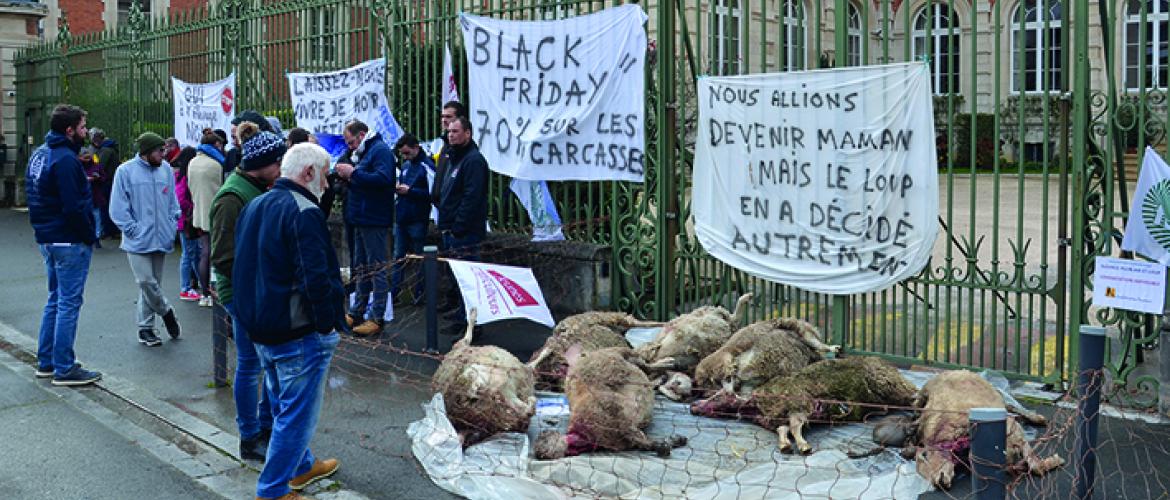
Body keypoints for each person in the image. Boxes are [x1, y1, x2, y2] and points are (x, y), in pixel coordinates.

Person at [232, 141, 343, 500]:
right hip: (297, 331)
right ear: (309, 172)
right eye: (324, 176)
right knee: (296, 414)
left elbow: (242, 265)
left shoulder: (256, 205)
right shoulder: (302, 211)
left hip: (265, 326)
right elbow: (315, 276)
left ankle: (300, 466)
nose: (327, 186)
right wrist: (327, 324)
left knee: (284, 404)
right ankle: (274, 489)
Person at [210, 120, 282, 463]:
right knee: (251, 364)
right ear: (261, 165)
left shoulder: (260, 187)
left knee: (268, 364)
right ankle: (249, 435)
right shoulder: (232, 197)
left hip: (260, 290)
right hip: (242, 294)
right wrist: (253, 287)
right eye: (278, 162)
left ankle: (264, 427)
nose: (282, 167)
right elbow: (223, 257)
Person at [26, 104, 102, 386]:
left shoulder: (40, 154)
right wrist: (88, 235)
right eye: (82, 127)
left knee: (55, 300)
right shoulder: (66, 160)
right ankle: (64, 367)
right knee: (68, 303)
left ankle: (47, 361)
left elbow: (35, 195)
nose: (86, 132)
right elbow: (73, 207)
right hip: (68, 239)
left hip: (47, 236)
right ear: (69, 130)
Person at [109, 132, 182, 347]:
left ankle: (145, 328)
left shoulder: (166, 169)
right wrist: (132, 229)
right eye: (160, 151)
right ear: (147, 151)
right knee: (145, 281)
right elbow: (118, 206)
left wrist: (172, 221)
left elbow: (172, 200)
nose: (164, 154)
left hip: (161, 236)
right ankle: (166, 312)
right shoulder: (125, 171)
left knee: (152, 285)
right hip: (138, 238)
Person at [334, 120, 396, 337]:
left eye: (351, 141)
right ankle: (357, 311)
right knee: (360, 267)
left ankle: (377, 316)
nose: (349, 146)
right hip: (359, 217)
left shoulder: (380, 151)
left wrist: (352, 174)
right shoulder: (362, 152)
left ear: (361, 135)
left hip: (374, 218)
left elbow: (384, 178)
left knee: (377, 268)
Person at [436, 117, 489, 335]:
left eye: (456, 131)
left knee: (469, 282)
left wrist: (458, 225)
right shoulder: (454, 158)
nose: (451, 135)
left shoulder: (473, 160)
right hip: (451, 230)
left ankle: (474, 325)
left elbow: (472, 197)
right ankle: (462, 319)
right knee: (458, 281)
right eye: (449, 131)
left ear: (468, 133)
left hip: (464, 233)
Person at [390, 134, 432, 306]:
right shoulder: (407, 165)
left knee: (419, 259)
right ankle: (394, 293)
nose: (405, 157)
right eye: (403, 154)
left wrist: (411, 192)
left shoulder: (426, 166)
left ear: (416, 147)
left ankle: (419, 293)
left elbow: (432, 193)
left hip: (417, 218)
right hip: (402, 217)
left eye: (407, 153)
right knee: (398, 257)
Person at [188, 128, 228, 307]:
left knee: (204, 252)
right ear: (216, 144)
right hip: (216, 212)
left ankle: (204, 293)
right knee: (216, 253)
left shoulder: (193, 162)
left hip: (199, 212)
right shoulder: (217, 164)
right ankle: (216, 290)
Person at [172, 146, 202, 301]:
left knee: (192, 253)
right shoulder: (185, 177)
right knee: (190, 254)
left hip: (183, 220)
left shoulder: (178, 175)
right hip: (187, 220)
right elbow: (181, 199)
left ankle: (195, 285)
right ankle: (185, 287)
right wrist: (193, 207)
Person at [430, 101, 466, 212]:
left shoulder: (462, 148)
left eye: (448, 116)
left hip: (455, 213)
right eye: (442, 116)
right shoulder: (445, 145)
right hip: (443, 210)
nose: (444, 120)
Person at [94, 130, 121, 239]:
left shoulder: (105, 150)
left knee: (104, 207)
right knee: (111, 205)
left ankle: (107, 231)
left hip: (106, 182)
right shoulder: (112, 148)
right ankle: (113, 230)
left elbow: (100, 166)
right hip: (112, 180)